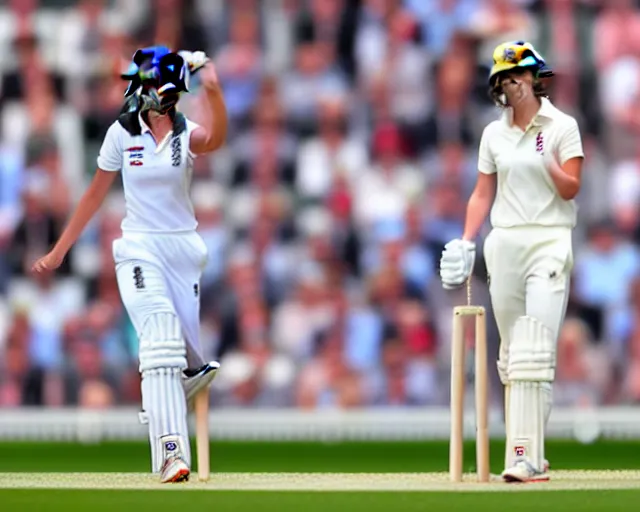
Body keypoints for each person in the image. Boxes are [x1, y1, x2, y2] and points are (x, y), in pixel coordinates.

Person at [32, 46, 228, 483]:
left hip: (182, 250)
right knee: (158, 340)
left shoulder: (183, 131)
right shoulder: (121, 133)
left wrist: (214, 93)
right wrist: (61, 249)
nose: (137, 91)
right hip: (138, 247)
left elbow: (214, 140)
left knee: (184, 359)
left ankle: (188, 377)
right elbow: (94, 195)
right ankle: (171, 453)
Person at [439, 41, 584, 483]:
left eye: (517, 74)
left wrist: (547, 163)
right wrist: (465, 241)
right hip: (503, 245)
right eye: (503, 77)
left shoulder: (562, 126)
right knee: (509, 357)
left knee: (533, 351)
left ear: (535, 77)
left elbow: (571, 188)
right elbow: (483, 192)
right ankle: (528, 449)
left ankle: (527, 456)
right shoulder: (493, 134)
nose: (510, 83)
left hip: (548, 241)